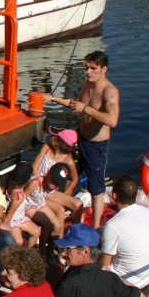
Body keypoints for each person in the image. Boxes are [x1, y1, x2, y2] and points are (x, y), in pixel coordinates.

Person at [50, 51, 120, 229]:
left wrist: (86, 109)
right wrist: (53, 99)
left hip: (97, 145)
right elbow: (76, 104)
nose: (88, 72)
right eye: (87, 67)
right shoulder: (87, 84)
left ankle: (96, 228)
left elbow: (112, 120)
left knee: (96, 190)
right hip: (80, 138)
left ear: (104, 69)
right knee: (67, 174)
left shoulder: (109, 92)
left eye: (93, 68)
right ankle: (65, 209)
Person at [99, 176, 149, 291]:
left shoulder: (113, 225)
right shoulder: (148, 212)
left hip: (131, 281)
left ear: (114, 196)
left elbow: (104, 266)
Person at [0, 162, 66, 250]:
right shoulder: (26, 190)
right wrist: (3, 224)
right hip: (23, 209)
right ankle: (39, 251)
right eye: (53, 180)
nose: (54, 185)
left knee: (49, 227)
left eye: (57, 183)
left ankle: (47, 250)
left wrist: (47, 194)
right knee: (46, 224)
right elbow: (22, 199)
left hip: (33, 207)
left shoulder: (50, 186)